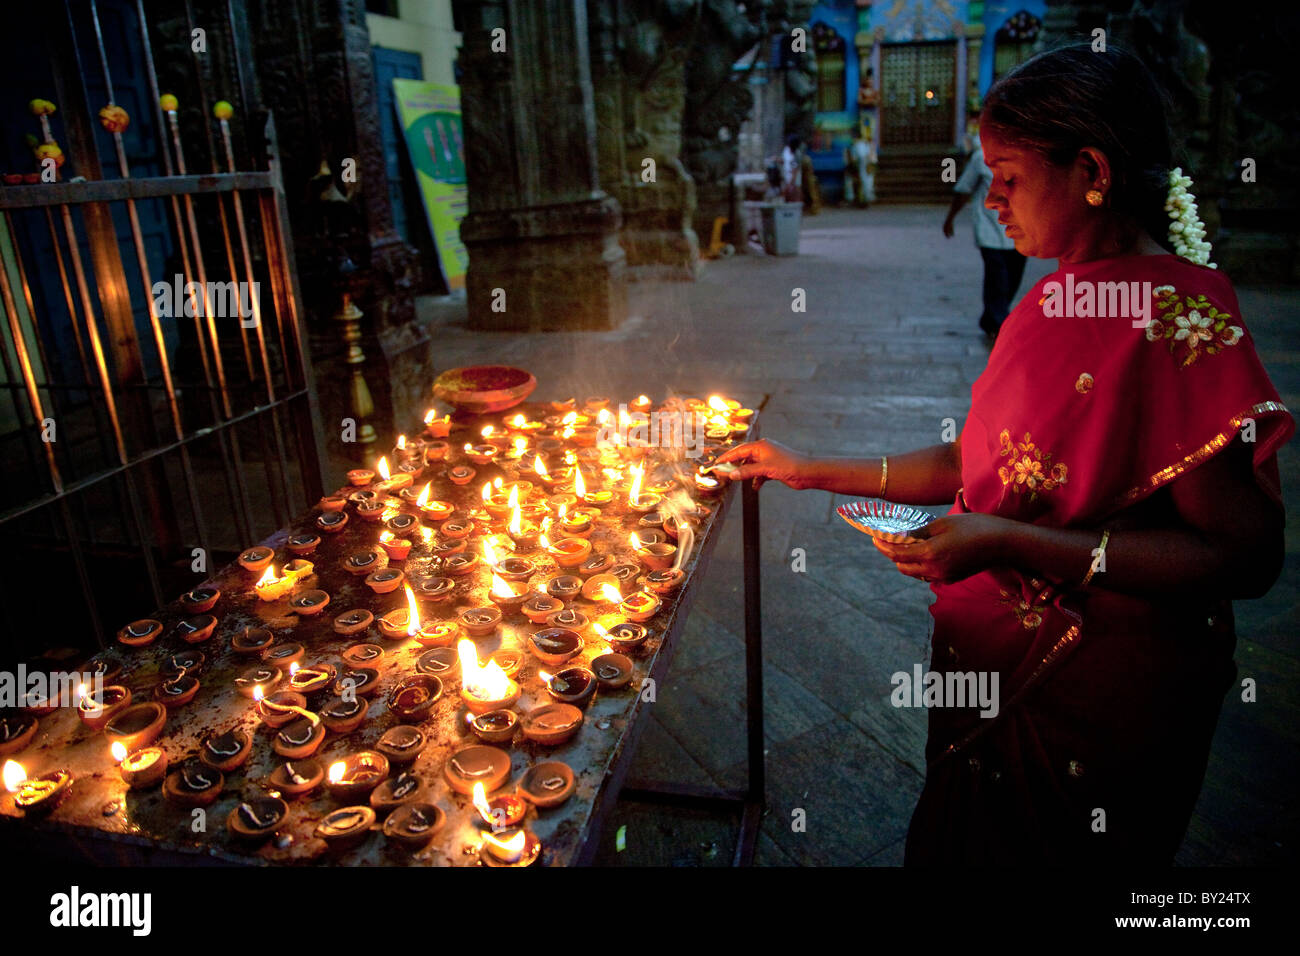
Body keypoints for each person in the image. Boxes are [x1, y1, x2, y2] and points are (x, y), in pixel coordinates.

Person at [715, 44, 1294, 866]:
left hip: (1099, 688)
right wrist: (807, 466)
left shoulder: (1177, 319)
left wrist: (1012, 541)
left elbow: (1244, 556)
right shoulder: (1055, 296)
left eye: (1010, 176)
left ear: (1092, 170)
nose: (994, 199)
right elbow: (984, 460)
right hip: (990, 658)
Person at [944, 132, 1026, 337]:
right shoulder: (982, 158)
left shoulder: (1028, 158)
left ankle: (991, 318)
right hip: (990, 229)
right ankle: (1000, 323)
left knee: (1013, 278)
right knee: (997, 278)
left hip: (1022, 231)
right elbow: (964, 189)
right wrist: (951, 217)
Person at [781, 135, 802, 203]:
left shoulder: (797, 154)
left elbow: (795, 170)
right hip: (786, 175)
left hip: (794, 178)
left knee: (794, 194)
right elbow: (784, 160)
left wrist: (791, 183)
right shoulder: (786, 150)